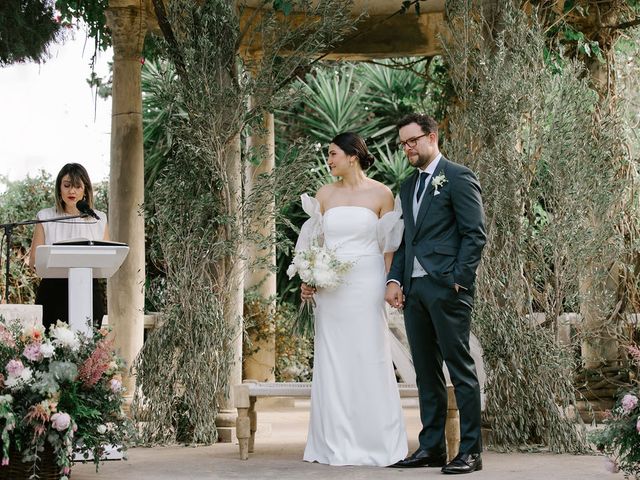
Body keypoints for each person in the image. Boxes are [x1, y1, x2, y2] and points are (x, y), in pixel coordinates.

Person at [297, 132, 408, 466]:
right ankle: (334, 440)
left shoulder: (382, 194)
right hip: (331, 290)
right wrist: (309, 279)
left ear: (352, 156)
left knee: (369, 356)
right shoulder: (324, 194)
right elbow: (313, 243)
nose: (329, 160)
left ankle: (377, 441)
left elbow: (388, 247)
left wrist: (392, 283)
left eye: (333, 154)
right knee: (333, 361)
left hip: (367, 283)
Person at [385, 113, 486, 474]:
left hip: (447, 289)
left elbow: (475, 234)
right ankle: (431, 448)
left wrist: (459, 279)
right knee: (426, 373)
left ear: (432, 137)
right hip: (414, 292)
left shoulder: (458, 177)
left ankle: (470, 452)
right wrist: (394, 280)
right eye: (403, 144)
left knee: (460, 370)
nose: (407, 148)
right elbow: (405, 240)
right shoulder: (408, 186)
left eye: (412, 141)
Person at [29, 163, 109, 331]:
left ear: (85, 190)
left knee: (88, 349)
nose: (72, 191)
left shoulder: (99, 219)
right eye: (67, 186)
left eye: (77, 186)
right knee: (51, 348)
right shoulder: (46, 217)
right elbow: (34, 261)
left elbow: (106, 258)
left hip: (88, 289)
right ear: (59, 188)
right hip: (53, 291)